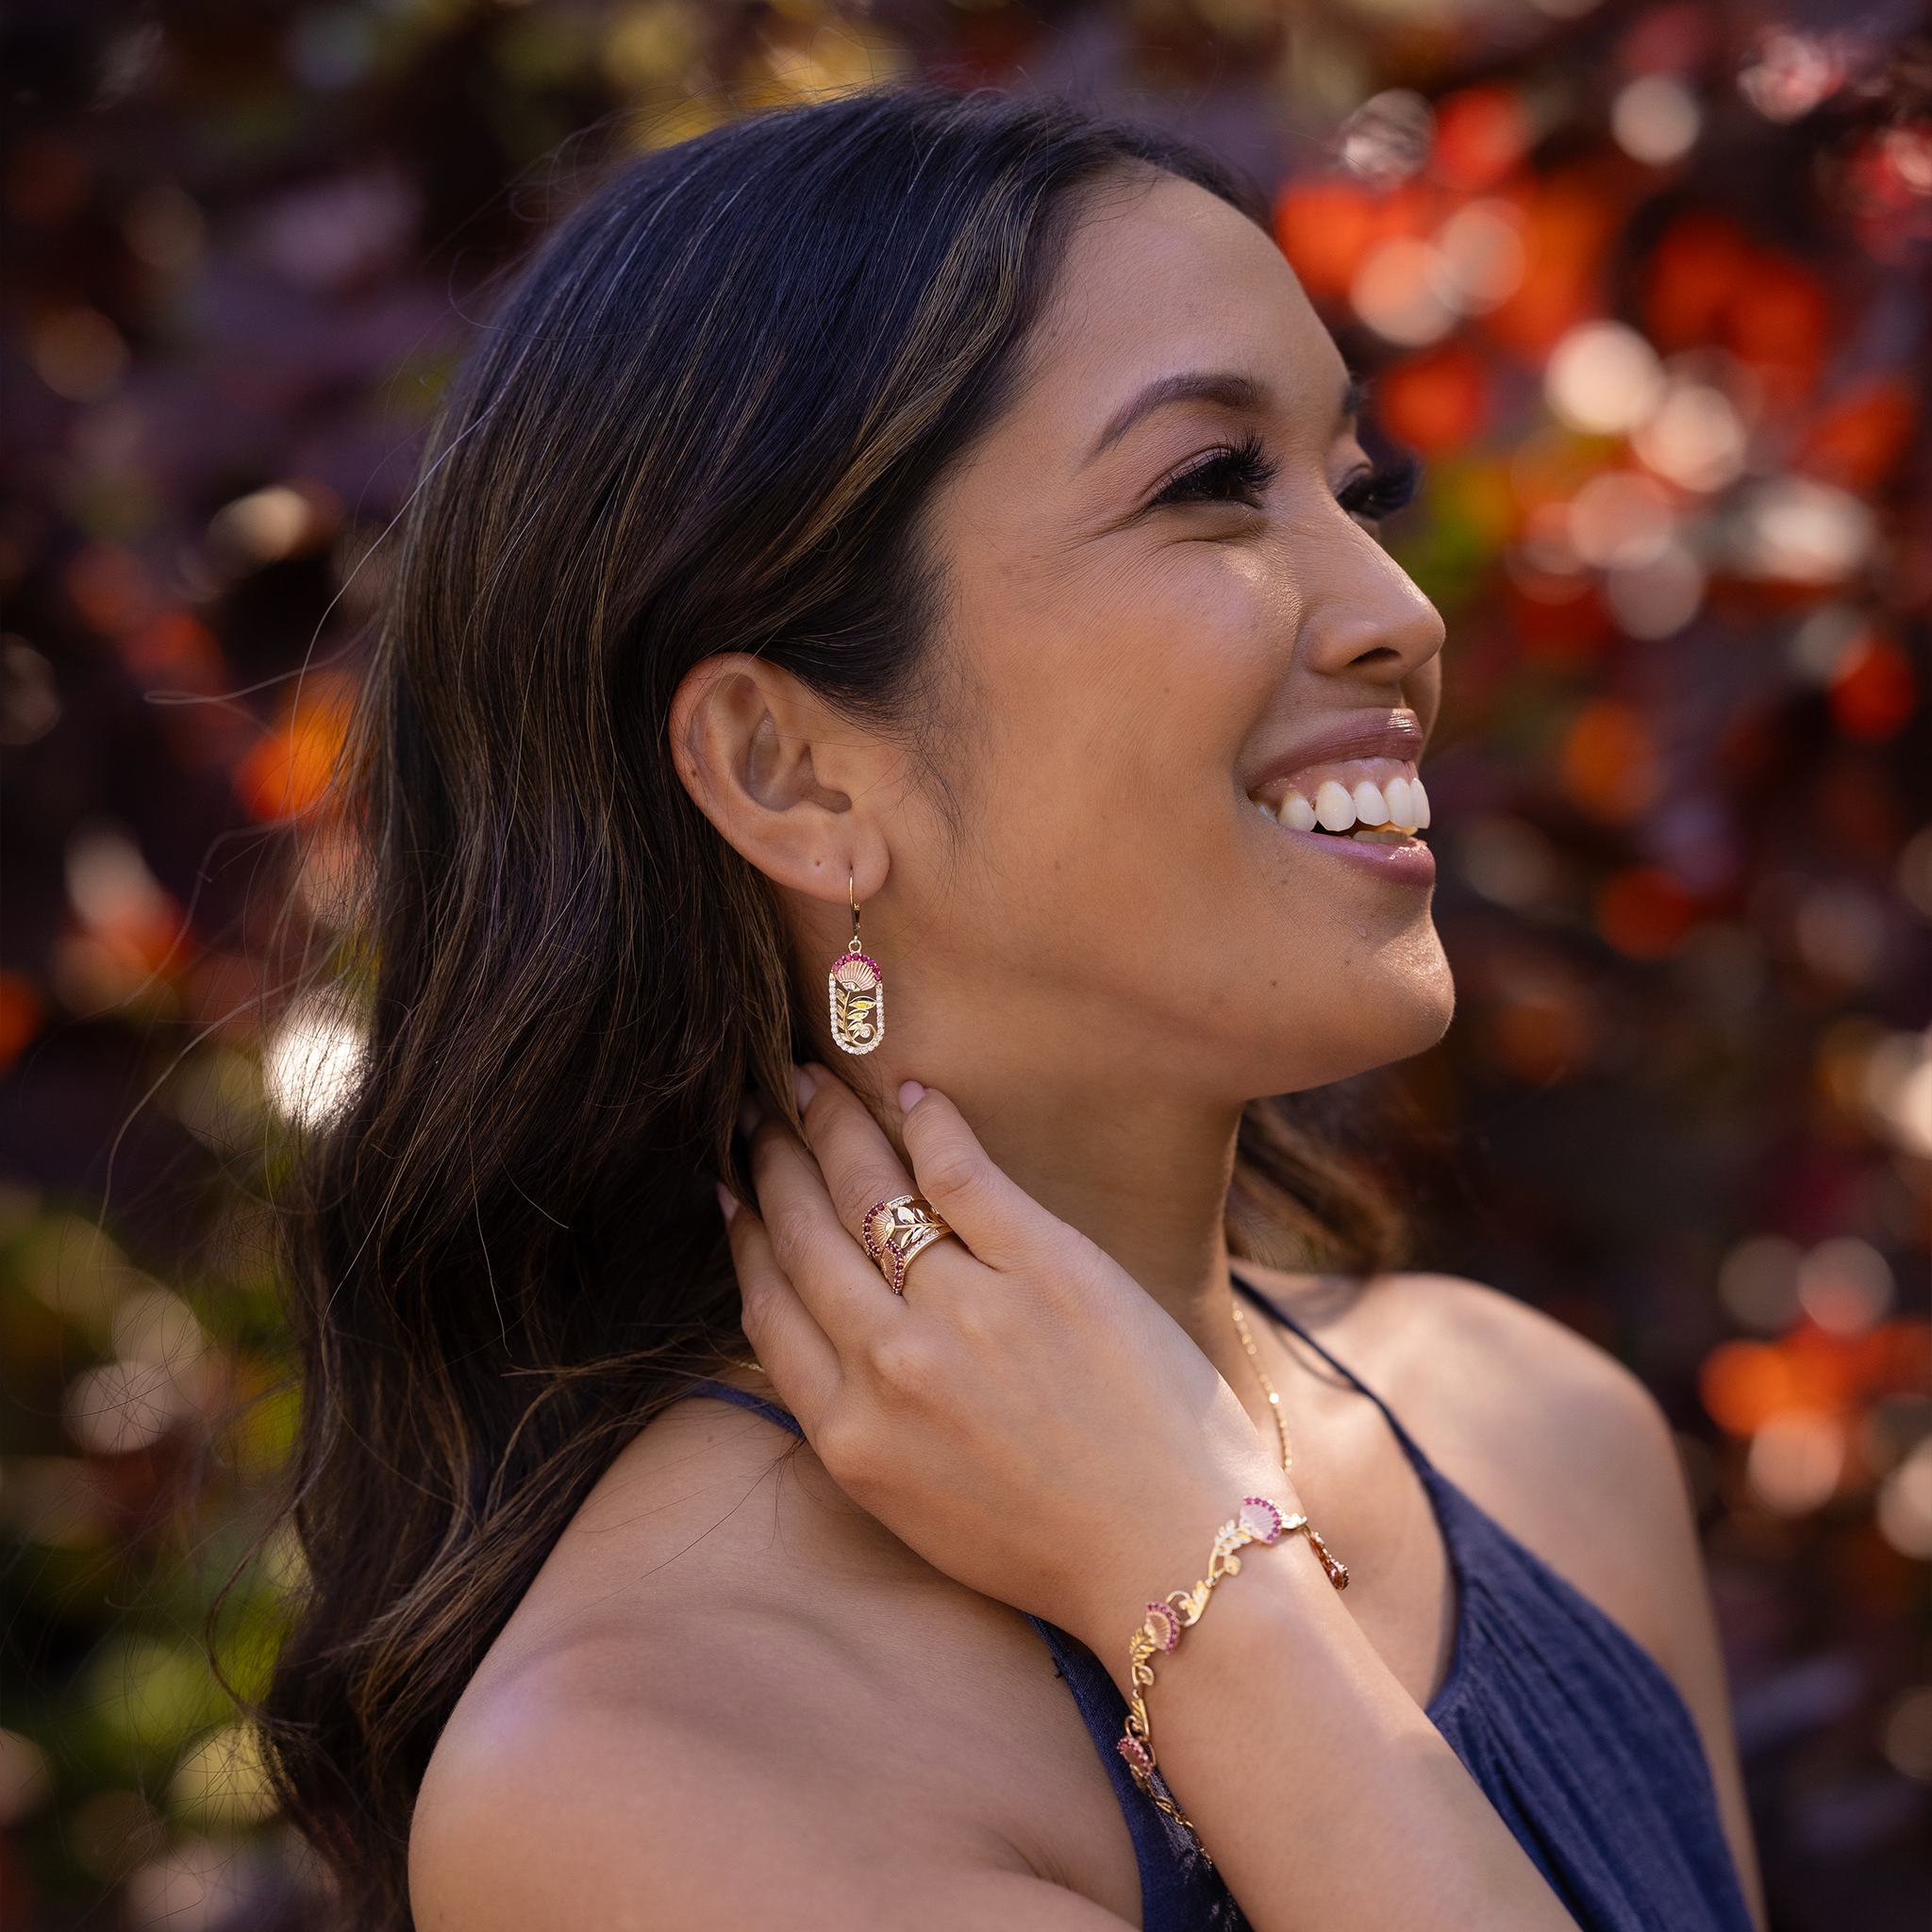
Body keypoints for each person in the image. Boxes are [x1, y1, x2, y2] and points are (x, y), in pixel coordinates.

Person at [261, 87, 1764, 1932]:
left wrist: (1177, 1539)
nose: (1398, 609)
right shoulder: (652, 1777)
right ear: (792, 769)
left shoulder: (1541, 1441)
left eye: (1357, 485)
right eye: (1210, 485)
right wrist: (1209, 1585)